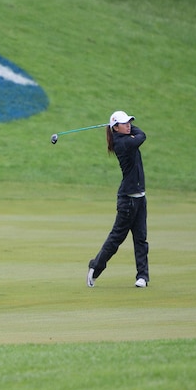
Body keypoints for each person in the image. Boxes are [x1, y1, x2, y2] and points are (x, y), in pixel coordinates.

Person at [87, 110, 150, 289]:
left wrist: (119, 125)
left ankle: (143, 277)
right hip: (127, 201)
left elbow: (135, 133)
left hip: (139, 198)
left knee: (141, 239)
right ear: (115, 128)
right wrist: (119, 128)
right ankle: (94, 267)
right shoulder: (122, 143)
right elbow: (141, 135)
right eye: (125, 123)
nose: (129, 125)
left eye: (130, 121)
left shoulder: (125, 136)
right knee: (116, 239)